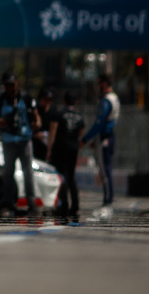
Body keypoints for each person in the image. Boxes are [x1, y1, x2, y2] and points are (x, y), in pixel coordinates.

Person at [0, 71, 40, 215]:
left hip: (25, 140)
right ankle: (8, 201)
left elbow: (36, 114)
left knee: (28, 171)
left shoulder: (26, 97)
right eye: (7, 85)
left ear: (17, 83)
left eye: (12, 85)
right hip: (9, 141)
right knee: (8, 172)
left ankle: (31, 201)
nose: (10, 88)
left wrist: (37, 123)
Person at [81, 73, 120, 211]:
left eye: (99, 83)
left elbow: (99, 123)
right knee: (106, 169)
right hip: (108, 136)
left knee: (105, 170)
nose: (97, 87)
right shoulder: (114, 98)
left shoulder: (106, 101)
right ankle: (108, 198)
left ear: (104, 83)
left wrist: (85, 139)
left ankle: (108, 199)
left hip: (105, 138)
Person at [47, 91, 85, 219]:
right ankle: (75, 206)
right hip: (73, 148)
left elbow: (52, 132)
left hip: (60, 148)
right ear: (75, 102)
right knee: (71, 176)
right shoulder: (80, 117)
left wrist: (49, 150)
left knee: (62, 176)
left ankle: (64, 205)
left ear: (64, 101)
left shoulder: (59, 114)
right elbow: (80, 135)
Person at [33, 88, 57, 161]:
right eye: (45, 99)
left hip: (46, 144)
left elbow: (53, 129)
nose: (47, 102)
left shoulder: (53, 111)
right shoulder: (35, 109)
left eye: (49, 100)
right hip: (34, 143)